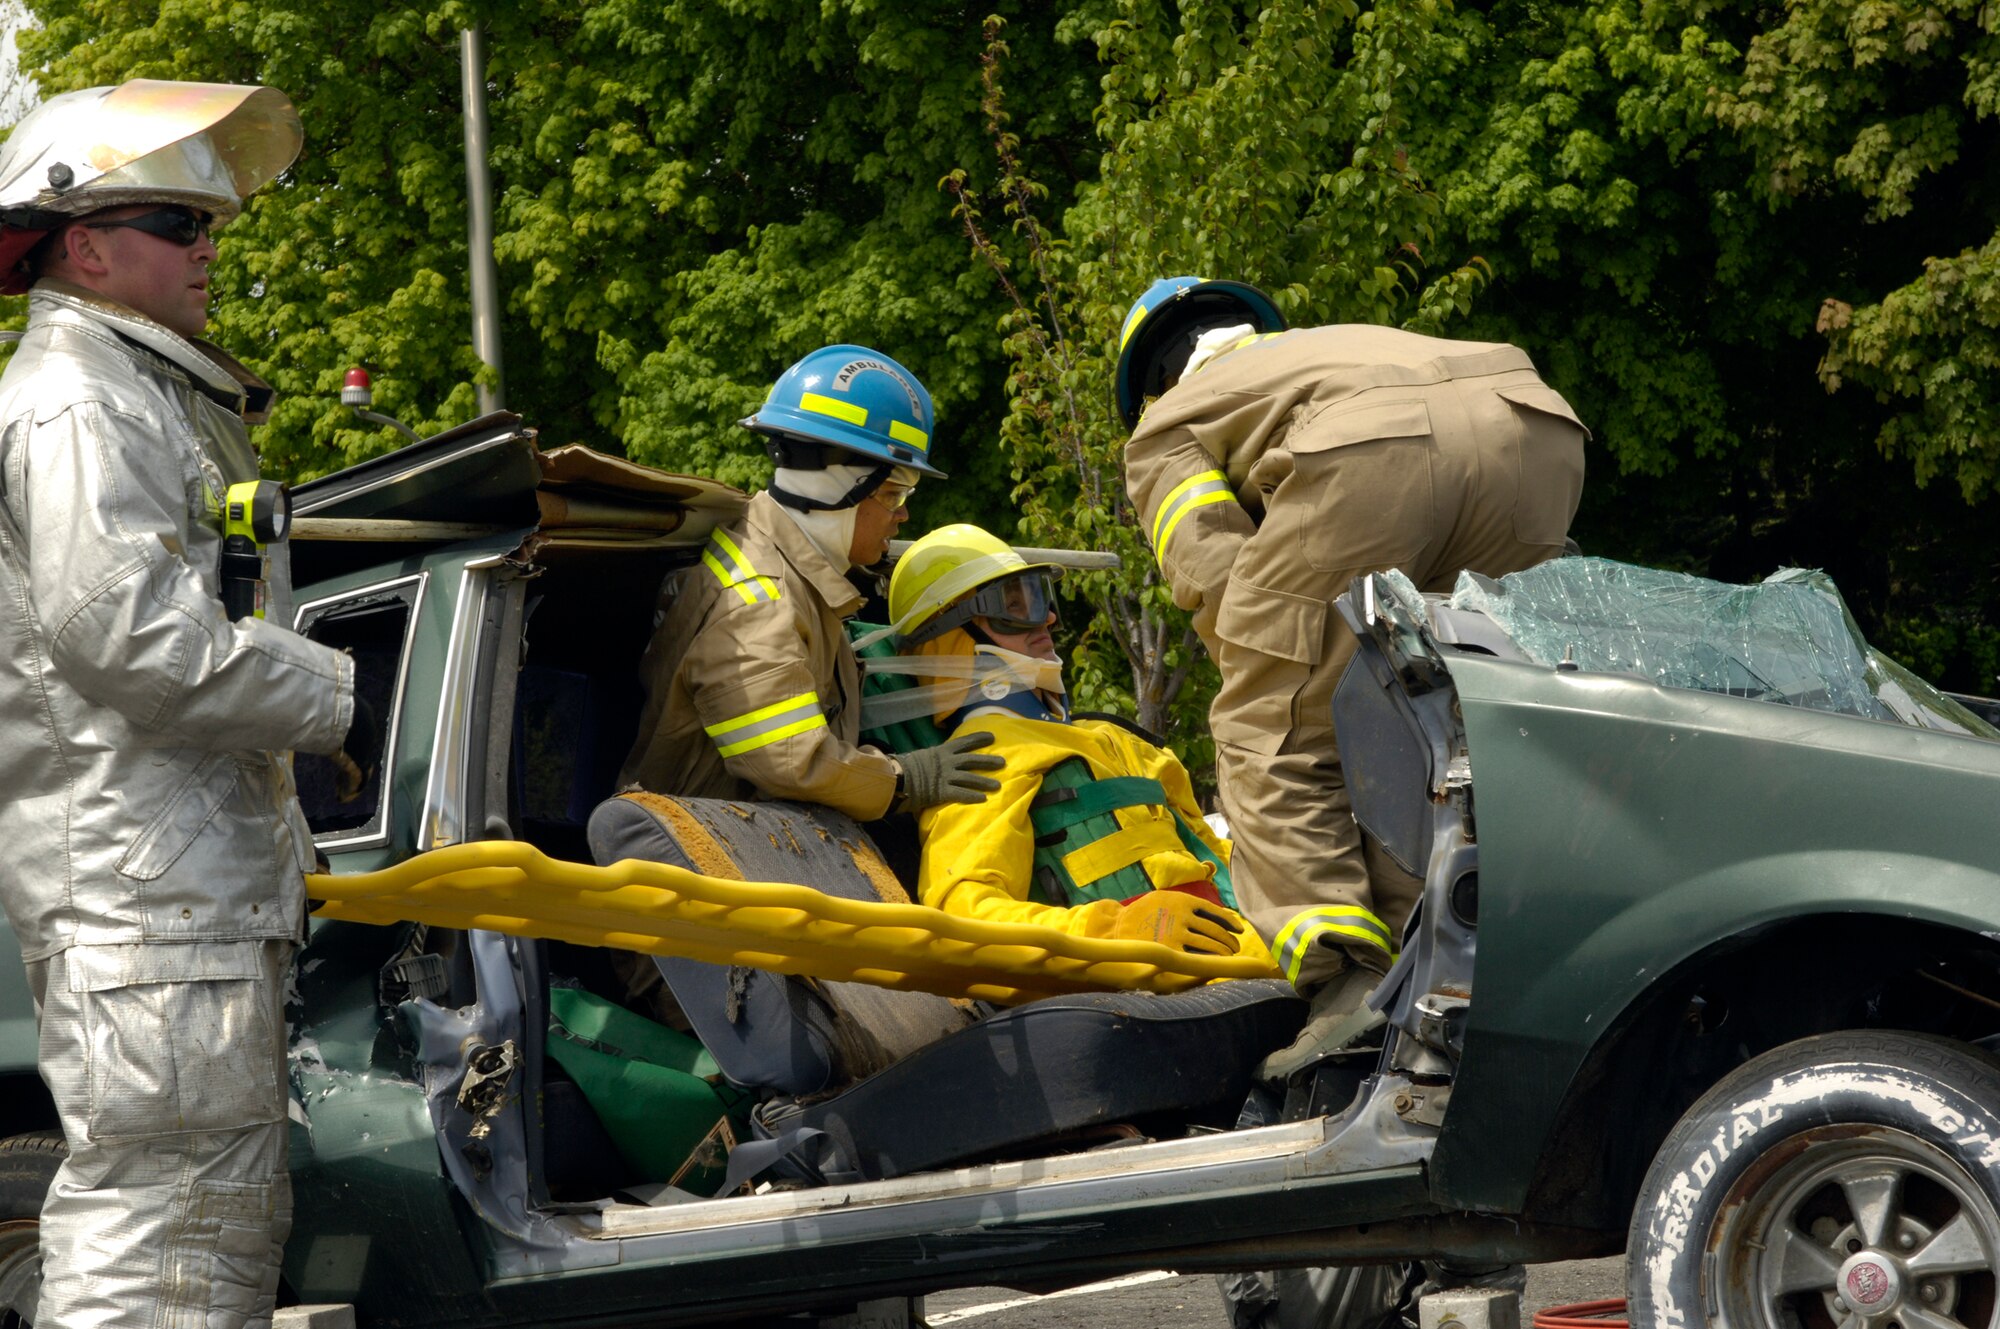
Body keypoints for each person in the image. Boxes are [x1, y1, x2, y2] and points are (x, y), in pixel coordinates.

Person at [0, 80, 374, 1327]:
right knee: (158, 1234)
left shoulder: (133, 392)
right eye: (178, 221)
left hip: (174, 895)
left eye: (211, 224)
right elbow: (123, 629)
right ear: (86, 245)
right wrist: (336, 696)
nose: (209, 247)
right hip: (146, 899)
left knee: (201, 1236)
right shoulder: (80, 401)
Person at [1117, 276, 1588, 1075]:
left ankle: (1349, 985)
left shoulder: (1168, 420)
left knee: (1269, 722)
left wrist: (1288, 671)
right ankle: (1495, 950)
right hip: (1537, 426)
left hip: (1374, 454)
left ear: (1152, 381)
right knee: (1473, 716)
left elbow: (1222, 585)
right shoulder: (1323, 350)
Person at [619, 345, 1003, 819]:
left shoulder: (789, 566)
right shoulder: (760, 603)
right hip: (702, 861)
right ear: (834, 490)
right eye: (893, 493)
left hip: (751, 837)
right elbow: (790, 761)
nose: (903, 514)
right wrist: (905, 780)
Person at [877, 523, 1260, 959]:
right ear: (950, 641)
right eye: (1012, 607)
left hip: (1249, 954)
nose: (1047, 619)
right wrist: (1115, 931)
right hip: (1159, 989)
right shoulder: (982, 757)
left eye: (1037, 598)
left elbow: (1218, 856)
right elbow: (965, 918)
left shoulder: (1113, 737)